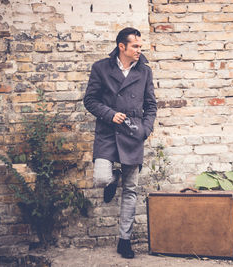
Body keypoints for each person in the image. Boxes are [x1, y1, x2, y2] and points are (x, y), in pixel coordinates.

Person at [84, 27, 157, 258]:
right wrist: (109, 114)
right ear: (121, 46)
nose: (139, 50)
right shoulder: (101, 68)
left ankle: (124, 240)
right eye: (135, 46)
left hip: (133, 133)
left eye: (140, 46)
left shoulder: (144, 71)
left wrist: (145, 129)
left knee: (131, 189)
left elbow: (151, 105)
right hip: (108, 131)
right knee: (102, 177)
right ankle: (111, 179)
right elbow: (90, 100)